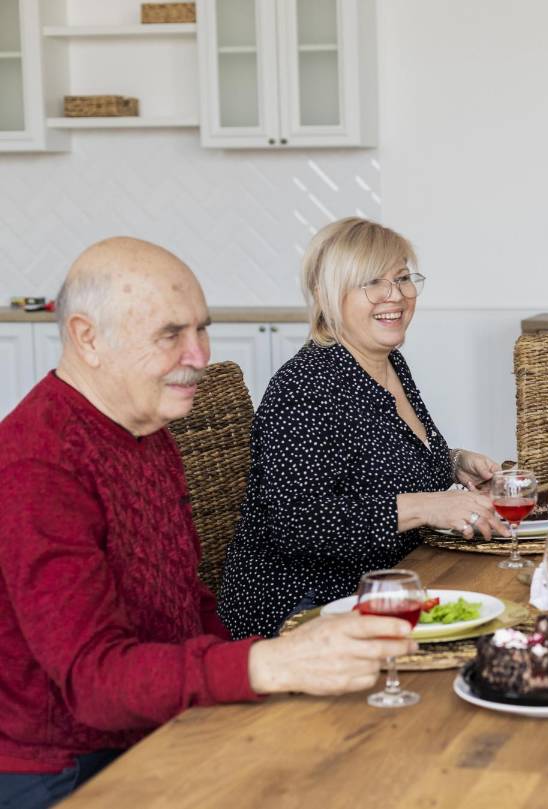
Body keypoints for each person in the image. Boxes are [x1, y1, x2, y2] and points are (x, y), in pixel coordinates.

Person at [0, 237, 417, 808]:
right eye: (170, 335)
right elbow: (93, 683)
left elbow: (187, 603)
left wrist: (259, 677)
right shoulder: (37, 463)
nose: (198, 356)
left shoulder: (147, 431)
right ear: (86, 338)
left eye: (202, 329)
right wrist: (267, 662)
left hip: (163, 719)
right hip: (68, 765)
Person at [218, 218, 506, 640]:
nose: (396, 295)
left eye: (403, 278)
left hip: (388, 584)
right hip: (303, 610)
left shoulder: (386, 363)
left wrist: (454, 462)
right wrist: (428, 507)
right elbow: (297, 523)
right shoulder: (306, 386)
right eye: (373, 281)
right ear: (326, 295)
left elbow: (377, 462)